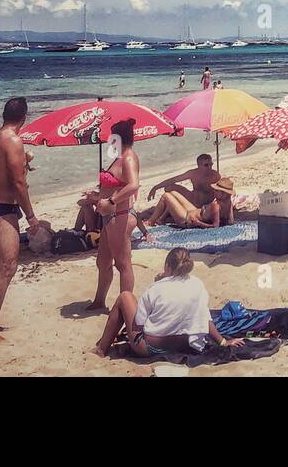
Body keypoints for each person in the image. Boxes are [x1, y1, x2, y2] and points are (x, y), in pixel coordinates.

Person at [94, 247, 242, 358]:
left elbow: (138, 324)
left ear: (167, 267)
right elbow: (205, 317)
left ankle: (101, 349)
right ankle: (107, 346)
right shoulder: (198, 284)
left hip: (151, 348)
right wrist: (222, 342)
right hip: (187, 346)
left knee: (125, 297)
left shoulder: (155, 288)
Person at [0, 97, 39, 344]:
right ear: (24, 118)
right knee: (7, 267)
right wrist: (32, 217)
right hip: (3, 209)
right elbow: (17, 183)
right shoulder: (14, 140)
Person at [90, 120, 141, 311]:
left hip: (120, 215)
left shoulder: (128, 158)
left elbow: (133, 185)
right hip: (110, 217)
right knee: (103, 261)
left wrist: (111, 201)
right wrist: (96, 196)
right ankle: (99, 301)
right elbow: (116, 184)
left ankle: (125, 306)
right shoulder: (119, 157)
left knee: (122, 263)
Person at [148, 153, 232, 224]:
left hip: (203, 207)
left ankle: (161, 216)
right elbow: (174, 179)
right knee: (169, 187)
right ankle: (165, 214)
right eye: (206, 165)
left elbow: (222, 193)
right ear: (198, 165)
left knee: (167, 197)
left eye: (211, 164)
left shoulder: (215, 176)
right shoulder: (193, 173)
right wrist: (155, 187)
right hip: (192, 200)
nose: (209, 167)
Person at [138, 187, 222, 229]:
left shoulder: (216, 207)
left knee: (166, 196)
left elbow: (215, 226)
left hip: (187, 219)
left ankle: (150, 222)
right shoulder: (217, 202)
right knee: (173, 193)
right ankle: (161, 219)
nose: (214, 190)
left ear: (222, 193)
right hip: (192, 210)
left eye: (216, 190)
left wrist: (198, 223)